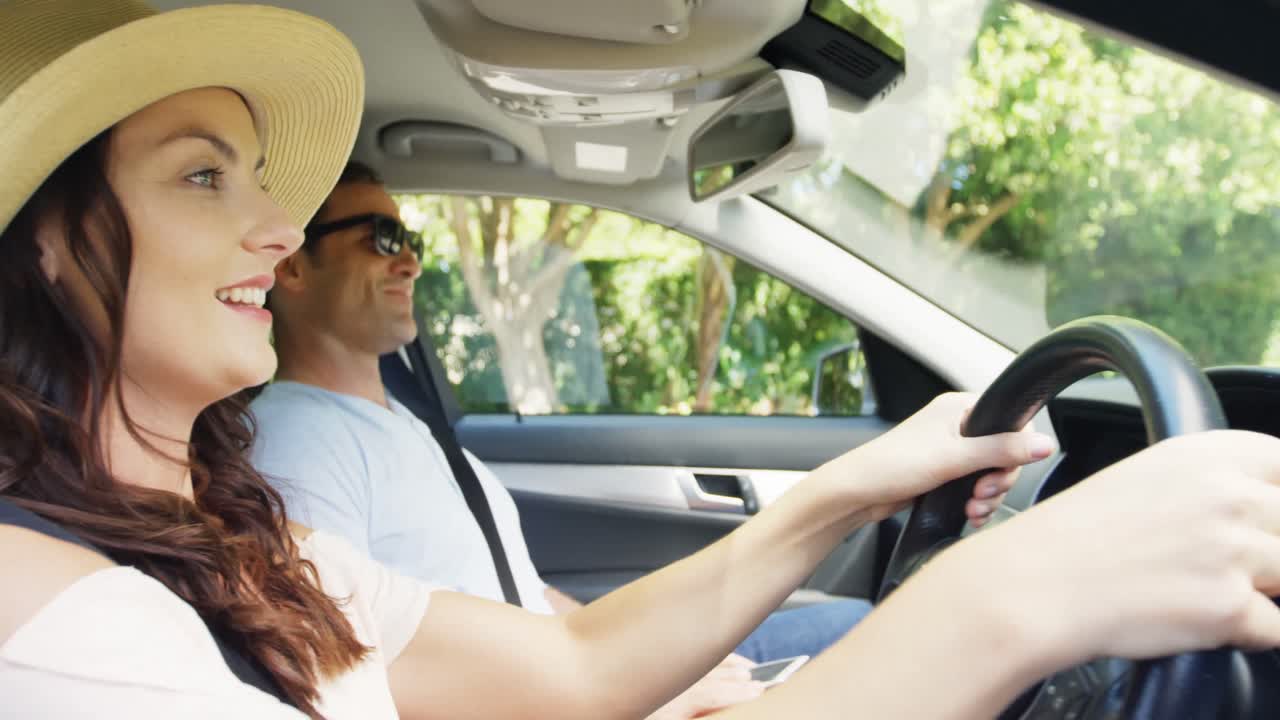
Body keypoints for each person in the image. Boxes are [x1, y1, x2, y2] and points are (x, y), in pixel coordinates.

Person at [5, 2, 1280, 720]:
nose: (276, 228)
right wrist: (1014, 595)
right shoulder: (51, 628)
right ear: (48, 246)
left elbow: (570, 669)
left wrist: (859, 482)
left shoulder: (241, 541)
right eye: (201, 175)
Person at [248, 161, 873, 691]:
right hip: (554, 697)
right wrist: (642, 691)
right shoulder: (295, 440)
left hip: (576, 677)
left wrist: (643, 657)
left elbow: (524, 594)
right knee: (875, 637)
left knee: (856, 619)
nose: (410, 262)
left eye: (412, 241)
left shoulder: (403, 423)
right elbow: (350, 673)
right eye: (382, 238)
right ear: (294, 268)